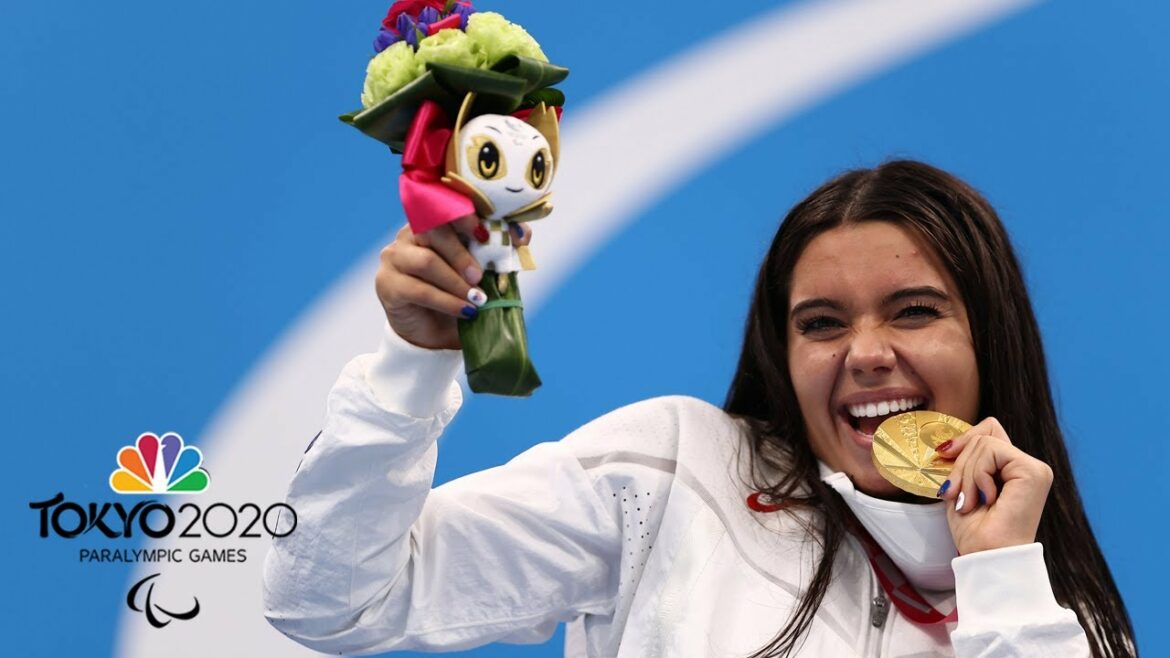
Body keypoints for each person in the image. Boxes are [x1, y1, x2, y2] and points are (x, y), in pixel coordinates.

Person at [262, 160, 1135, 657]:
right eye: (821, 324)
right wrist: (411, 369)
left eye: (914, 311)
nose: (866, 353)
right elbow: (332, 600)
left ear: (990, 336)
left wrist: (1000, 572)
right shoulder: (674, 470)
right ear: (781, 355)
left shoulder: (1064, 618)